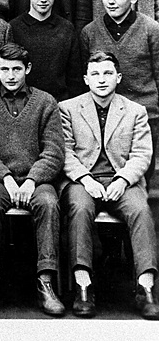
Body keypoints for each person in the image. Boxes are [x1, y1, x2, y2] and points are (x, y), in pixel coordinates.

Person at [59, 50, 159, 320]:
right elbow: (64, 152)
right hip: (82, 180)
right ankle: (83, 285)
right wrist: (85, 179)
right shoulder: (68, 108)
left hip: (121, 181)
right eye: (95, 74)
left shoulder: (135, 111)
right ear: (86, 79)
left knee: (141, 210)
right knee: (79, 209)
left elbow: (142, 154)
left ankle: (146, 287)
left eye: (107, 73)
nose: (101, 79)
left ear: (119, 77)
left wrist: (123, 179)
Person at [0, 43, 65, 317]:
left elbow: (54, 151)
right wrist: (7, 178)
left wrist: (32, 179)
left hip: (37, 180)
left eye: (17, 69)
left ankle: (46, 283)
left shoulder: (45, 102)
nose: (11, 75)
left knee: (48, 203)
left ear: (28, 69)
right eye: (5, 69)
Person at [80, 0, 159, 180]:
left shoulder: (151, 29)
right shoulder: (89, 32)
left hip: (144, 114)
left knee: (139, 179)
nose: (110, 1)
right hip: (103, 116)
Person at [10, 0, 84, 101]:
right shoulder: (14, 27)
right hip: (24, 102)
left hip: (59, 102)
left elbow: (75, 77)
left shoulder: (66, 29)